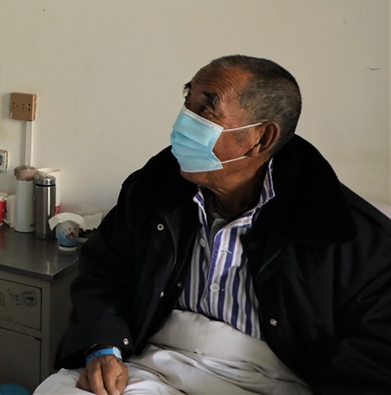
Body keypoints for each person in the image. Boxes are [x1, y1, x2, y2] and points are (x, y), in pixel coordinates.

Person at [36, 55, 391, 395]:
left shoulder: (348, 234)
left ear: (261, 138)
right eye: (187, 103)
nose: (184, 122)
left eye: (206, 110)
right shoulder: (153, 188)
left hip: (274, 379)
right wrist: (103, 345)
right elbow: (106, 272)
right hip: (151, 362)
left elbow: (373, 355)